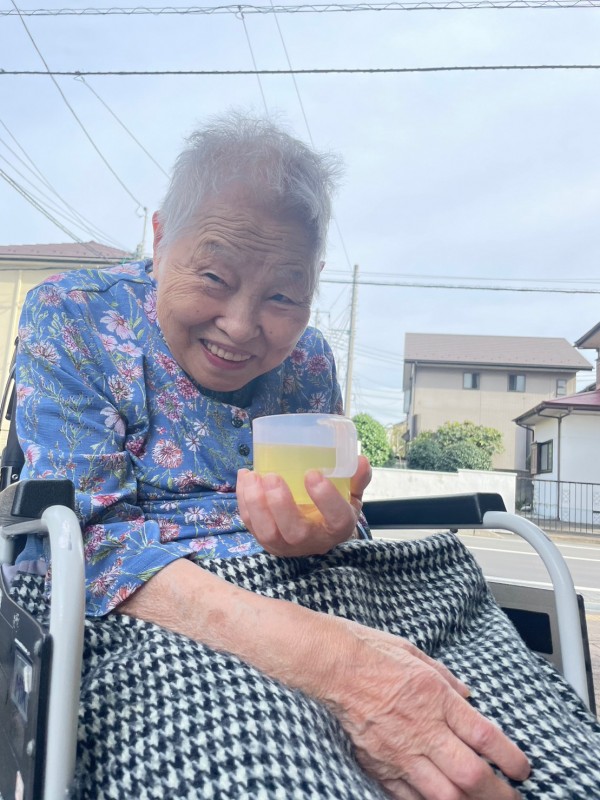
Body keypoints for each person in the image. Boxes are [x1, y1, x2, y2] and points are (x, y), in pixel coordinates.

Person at [13, 112, 600, 800]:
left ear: (315, 280)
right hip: (155, 614)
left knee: (548, 761)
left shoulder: (311, 359)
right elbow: (89, 543)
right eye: (214, 276)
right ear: (161, 236)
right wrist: (335, 663)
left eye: (283, 296)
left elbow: (343, 528)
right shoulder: (75, 316)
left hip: (337, 593)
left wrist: (331, 528)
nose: (241, 326)